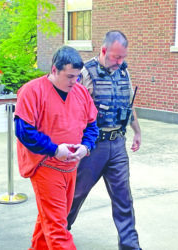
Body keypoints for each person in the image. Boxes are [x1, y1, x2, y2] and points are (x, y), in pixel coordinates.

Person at [15, 46, 99, 249]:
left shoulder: (79, 92)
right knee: (57, 227)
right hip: (46, 165)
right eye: (69, 76)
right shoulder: (32, 91)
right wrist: (54, 149)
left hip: (71, 166)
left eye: (77, 76)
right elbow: (24, 131)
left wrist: (86, 147)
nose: (74, 81)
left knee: (51, 218)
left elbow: (92, 125)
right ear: (54, 70)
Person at [67, 30, 142, 250]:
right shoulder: (86, 73)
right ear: (103, 50)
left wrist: (137, 131)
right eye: (116, 57)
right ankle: (57, 234)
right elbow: (73, 110)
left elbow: (129, 105)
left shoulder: (123, 72)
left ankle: (130, 246)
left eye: (123, 57)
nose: (120, 62)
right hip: (92, 147)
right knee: (76, 194)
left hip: (117, 143)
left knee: (123, 199)